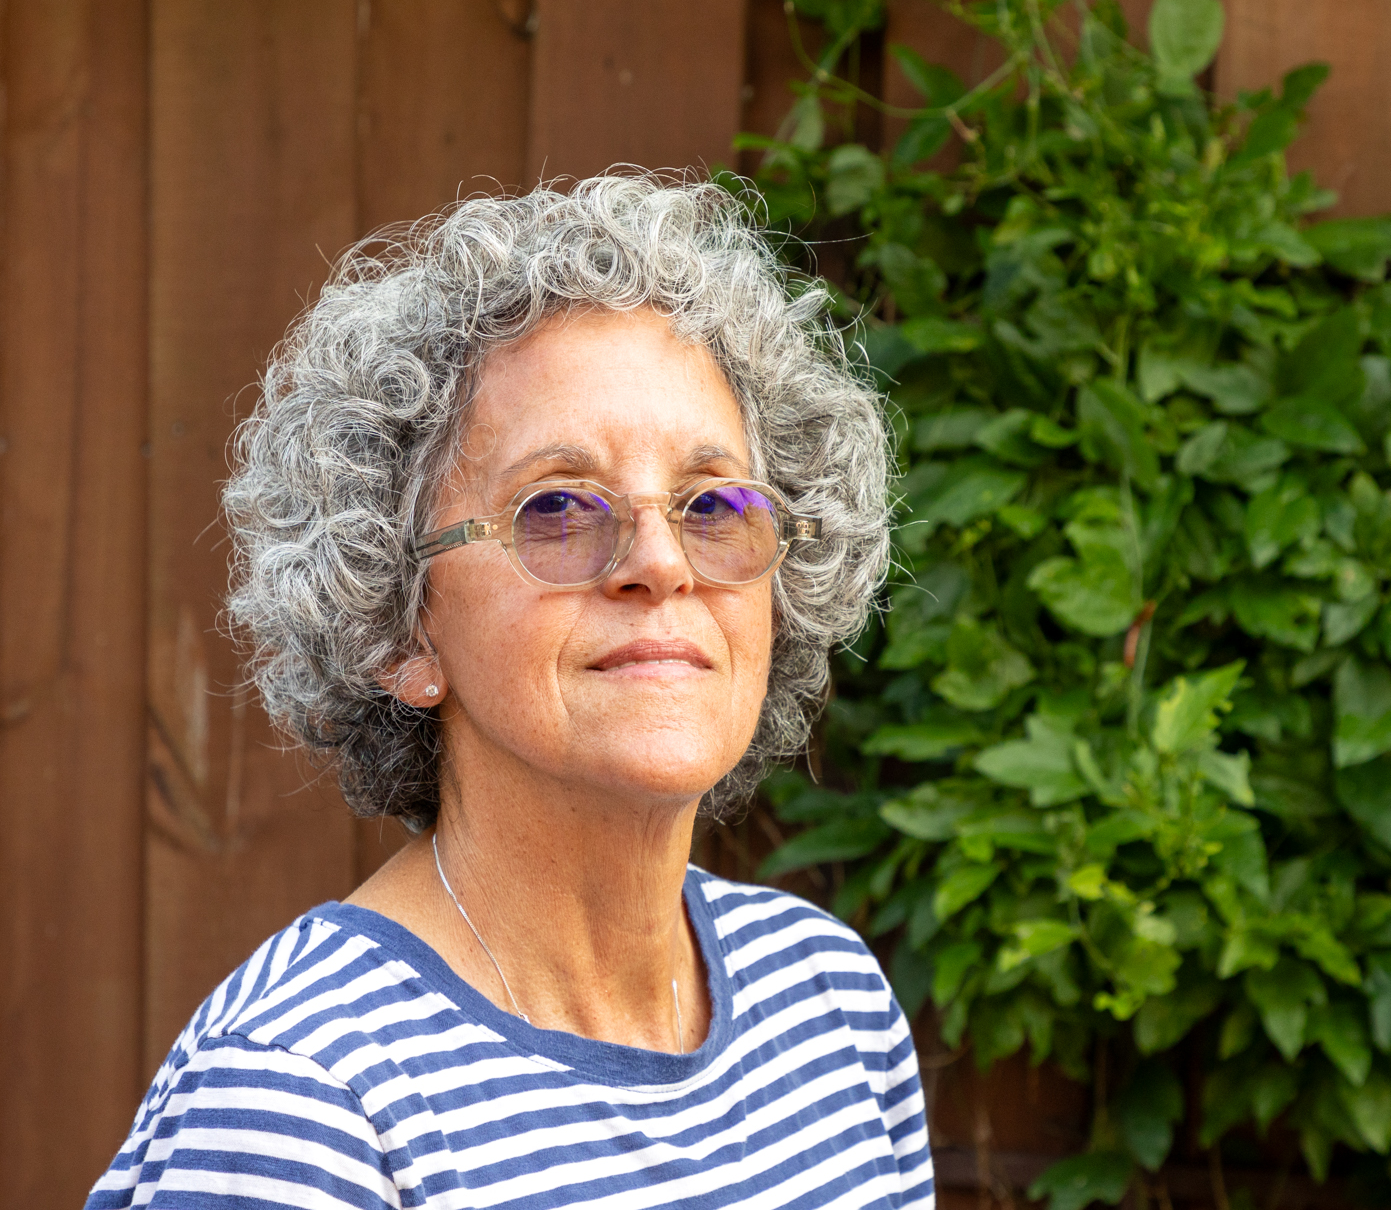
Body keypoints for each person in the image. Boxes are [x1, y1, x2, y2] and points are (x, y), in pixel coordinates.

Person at [87, 174, 930, 1208]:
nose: (661, 562)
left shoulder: (831, 1008)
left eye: (714, 504)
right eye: (559, 508)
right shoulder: (305, 1094)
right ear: (401, 622)